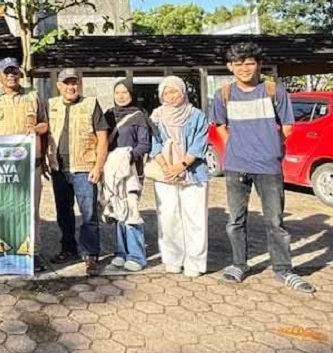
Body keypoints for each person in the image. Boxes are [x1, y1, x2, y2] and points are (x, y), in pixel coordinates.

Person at [210, 43, 314, 292]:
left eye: (249, 63)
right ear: (229, 67)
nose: (244, 68)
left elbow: (287, 126)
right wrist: (235, 147)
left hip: (268, 166)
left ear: (258, 64)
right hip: (236, 165)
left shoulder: (273, 91)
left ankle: (283, 269)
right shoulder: (223, 94)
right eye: (238, 64)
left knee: (275, 221)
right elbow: (220, 125)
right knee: (235, 219)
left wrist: (270, 147)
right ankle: (239, 264)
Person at [46, 68, 109, 275]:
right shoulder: (51, 105)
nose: (70, 87)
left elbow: (102, 136)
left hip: (84, 169)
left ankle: (91, 254)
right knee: (63, 213)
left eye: (74, 83)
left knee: (89, 213)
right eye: (66, 83)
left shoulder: (90, 104)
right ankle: (68, 249)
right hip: (59, 169)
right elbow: (45, 134)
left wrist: (99, 166)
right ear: (59, 85)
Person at [0, 57, 49, 270]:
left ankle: (33, 253)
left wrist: (37, 129)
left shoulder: (33, 96)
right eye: (7, 72)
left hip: (30, 164)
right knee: (4, 210)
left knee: (30, 210)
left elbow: (45, 124)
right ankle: (5, 252)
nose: (12, 75)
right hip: (3, 167)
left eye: (15, 71)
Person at [149, 76, 210, 278]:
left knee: (195, 218)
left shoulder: (196, 115)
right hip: (164, 172)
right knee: (168, 216)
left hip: (193, 173)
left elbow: (200, 143)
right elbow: (153, 143)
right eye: (166, 92)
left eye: (175, 91)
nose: (170, 96)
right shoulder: (156, 116)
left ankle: (195, 262)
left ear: (183, 92)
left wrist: (182, 164)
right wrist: (167, 166)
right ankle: (173, 258)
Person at [103, 79, 152, 272]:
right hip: (111, 171)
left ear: (132, 94)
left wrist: (128, 156)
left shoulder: (138, 116)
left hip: (130, 170)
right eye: (117, 93)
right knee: (117, 208)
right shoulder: (108, 115)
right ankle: (121, 252)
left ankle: (137, 256)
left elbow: (144, 144)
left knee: (131, 210)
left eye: (125, 92)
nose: (121, 96)